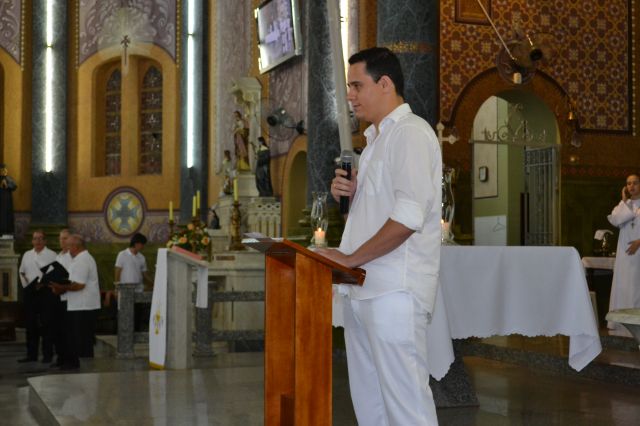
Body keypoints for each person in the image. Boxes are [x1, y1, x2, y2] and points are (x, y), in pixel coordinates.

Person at [316, 47, 442, 425]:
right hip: (364, 289)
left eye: (357, 85)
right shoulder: (375, 142)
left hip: (393, 292)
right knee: (372, 407)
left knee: (407, 409)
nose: (349, 95)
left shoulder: (410, 133)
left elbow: (408, 218)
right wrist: (354, 197)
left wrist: (349, 260)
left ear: (385, 83)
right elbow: (376, 216)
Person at [51, 234, 101, 370]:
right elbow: (73, 282)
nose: (67, 249)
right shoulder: (79, 259)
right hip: (78, 304)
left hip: (83, 305)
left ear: (76, 246)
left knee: (82, 339)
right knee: (75, 336)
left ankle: (83, 367)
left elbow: (79, 285)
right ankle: (75, 364)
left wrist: (61, 287)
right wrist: (60, 288)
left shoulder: (83, 260)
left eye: (69, 246)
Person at [607, 173, 640, 334]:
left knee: (636, 286)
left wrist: (639, 242)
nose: (631, 186)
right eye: (628, 183)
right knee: (623, 285)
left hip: (639, 253)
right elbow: (615, 220)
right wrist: (624, 201)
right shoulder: (623, 205)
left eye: (635, 183)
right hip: (624, 254)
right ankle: (621, 323)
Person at [18, 230, 57, 363]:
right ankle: (31, 355)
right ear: (32, 241)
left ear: (45, 241)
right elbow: (22, 271)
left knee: (47, 324)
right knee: (30, 324)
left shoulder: (52, 255)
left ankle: (47, 355)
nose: (38, 241)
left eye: (40, 238)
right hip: (30, 292)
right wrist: (28, 285)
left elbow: (55, 273)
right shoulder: (27, 254)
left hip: (45, 292)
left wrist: (43, 284)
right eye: (35, 238)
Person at [39, 229, 72, 367]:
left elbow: (70, 277)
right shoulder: (58, 256)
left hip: (67, 298)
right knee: (57, 330)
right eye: (60, 238)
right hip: (55, 297)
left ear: (70, 240)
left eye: (65, 238)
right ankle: (60, 358)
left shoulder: (72, 256)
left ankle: (67, 359)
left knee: (65, 331)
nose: (62, 241)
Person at [115, 232, 150, 331]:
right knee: (125, 315)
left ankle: (136, 333)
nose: (143, 247)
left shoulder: (142, 257)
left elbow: (145, 274)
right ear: (137, 243)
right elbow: (117, 271)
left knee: (137, 314)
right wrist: (117, 288)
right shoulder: (122, 254)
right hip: (125, 291)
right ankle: (124, 335)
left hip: (138, 291)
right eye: (142, 244)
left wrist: (153, 283)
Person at [0, 163, 17, 235]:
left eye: (4, 169)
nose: (4, 171)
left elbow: (14, 186)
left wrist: (7, 185)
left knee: (7, 216)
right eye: (2, 170)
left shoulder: (8, 178)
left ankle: (7, 231)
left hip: (7, 201)